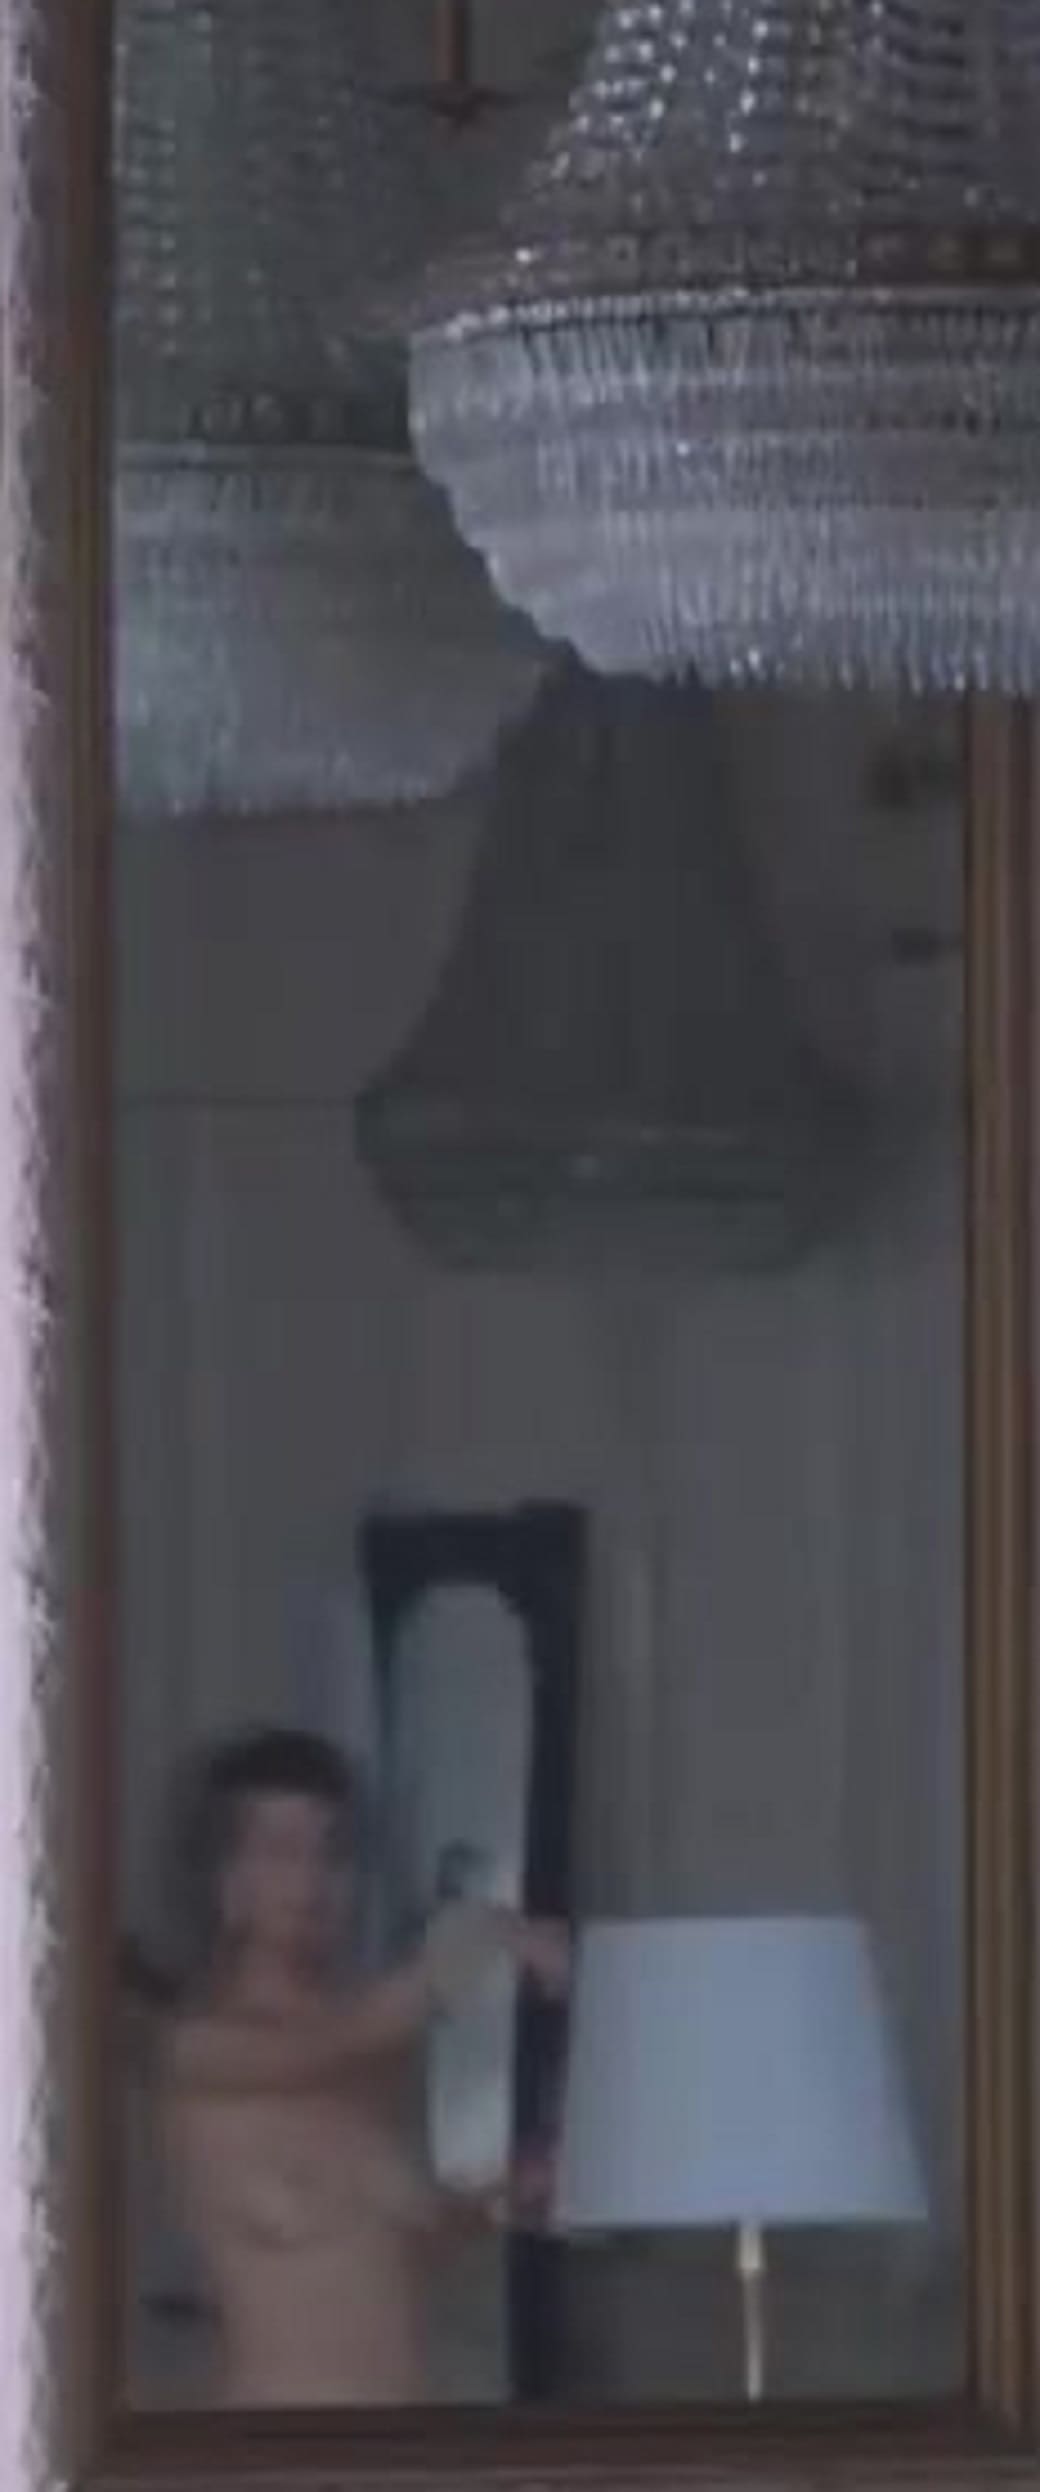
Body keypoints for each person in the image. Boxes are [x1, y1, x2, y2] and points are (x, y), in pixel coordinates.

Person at [155, 1727, 569, 2408]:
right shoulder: (203, 2050)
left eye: (334, 1852)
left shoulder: (373, 2059)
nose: (312, 1880)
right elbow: (329, 2046)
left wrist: (502, 2198)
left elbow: (396, 2245)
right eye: (281, 1852)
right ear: (226, 1880)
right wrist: (484, 1931)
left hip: (401, 2436)